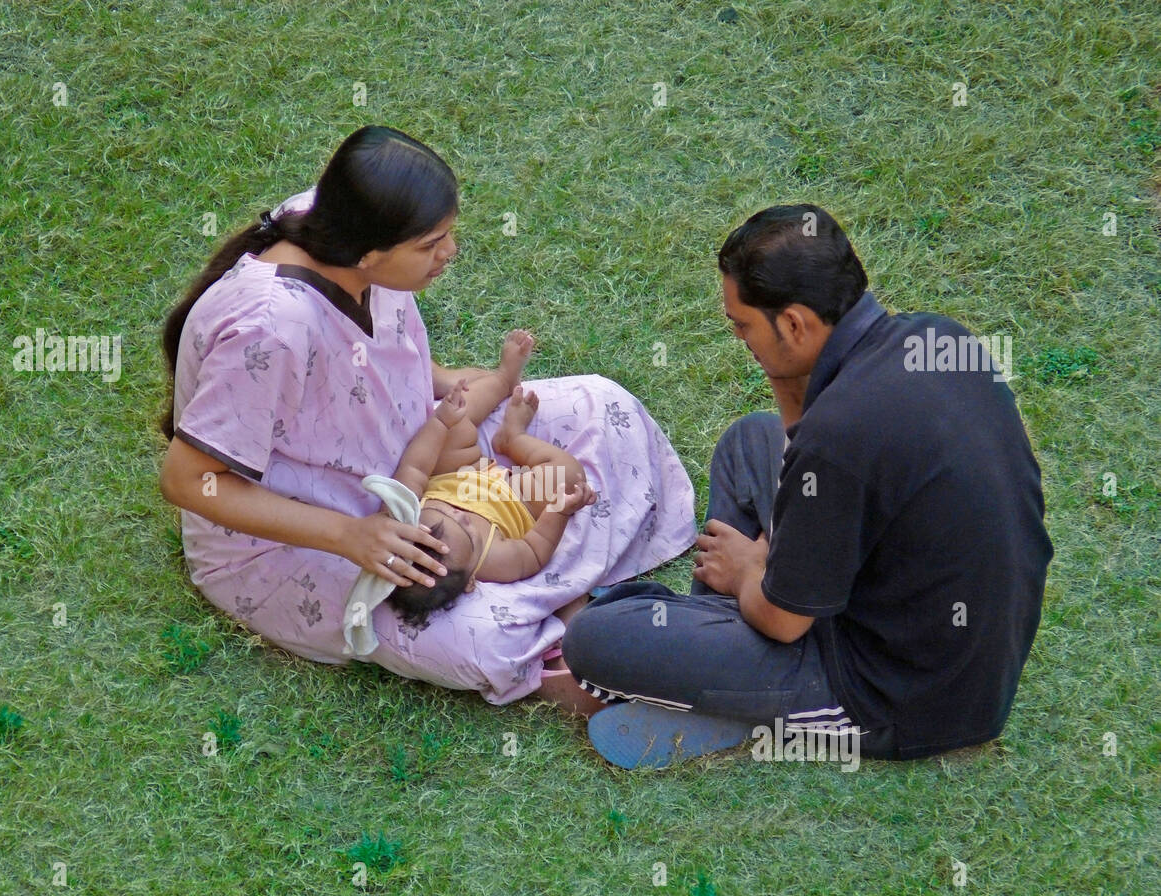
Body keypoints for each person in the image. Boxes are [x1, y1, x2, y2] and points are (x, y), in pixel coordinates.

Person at [157, 126, 694, 706]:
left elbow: (379, 352)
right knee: (482, 640)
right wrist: (351, 536)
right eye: (431, 243)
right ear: (367, 252)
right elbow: (190, 480)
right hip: (307, 532)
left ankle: (549, 596)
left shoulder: (331, 221)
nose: (449, 252)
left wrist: (461, 387)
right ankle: (568, 618)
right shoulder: (270, 330)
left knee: (604, 406)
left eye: (448, 233)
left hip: (428, 448)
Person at [561, 204, 1054, 768]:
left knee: (594, 638)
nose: (739, 338)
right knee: (751, 442)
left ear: (794, 324)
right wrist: (786, 375)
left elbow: (783, 621)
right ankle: (713, 659)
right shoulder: (936, 336)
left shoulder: (841, 435)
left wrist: (750, 571)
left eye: (743, 325)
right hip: (954, 640)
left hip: (897, 696)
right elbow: (810, 455)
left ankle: (715, 682)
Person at [387, 367, 597, 626]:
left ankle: (502, 380)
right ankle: (513, 438)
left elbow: (414, 467)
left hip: (461, 471)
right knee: (569, 477)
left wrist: (440, 422)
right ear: (471, 581)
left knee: (457, 425)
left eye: (446, 511)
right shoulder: (491, 562)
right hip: (517, 496)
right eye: (469, 532)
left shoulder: (400, 513)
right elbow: (534, 549)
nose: (463, 514)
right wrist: (559, 511)